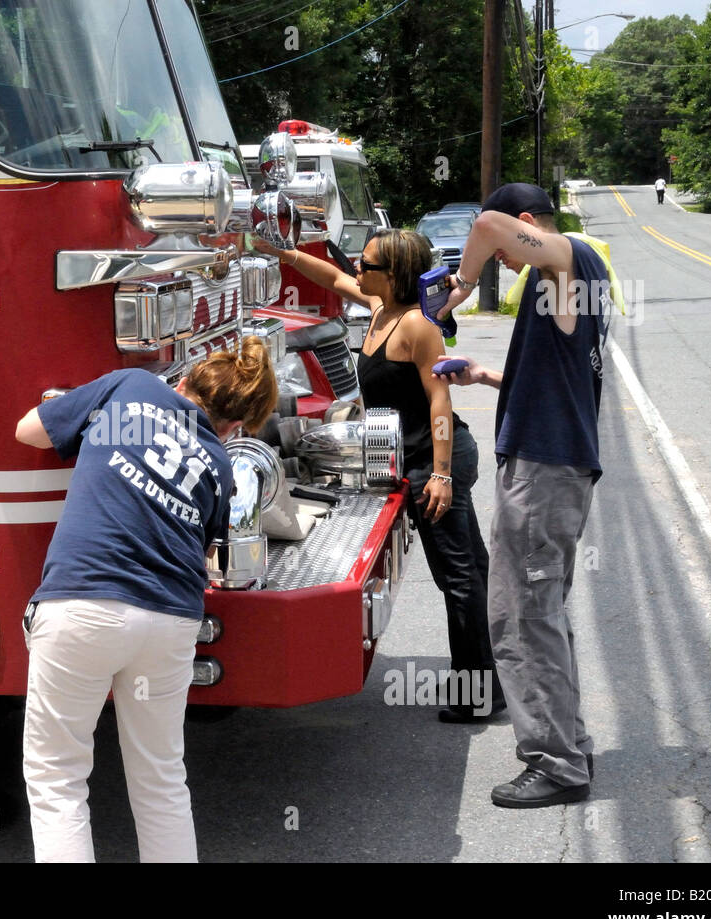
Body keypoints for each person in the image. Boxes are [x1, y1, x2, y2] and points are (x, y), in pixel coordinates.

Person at [14, 342, 277, 862]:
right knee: (160, 781)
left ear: (184, 382)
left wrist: (75, 406)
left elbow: (28, 430)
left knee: (59, 779)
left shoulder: (130, 387)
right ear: (233, 427)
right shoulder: (222, 468)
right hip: (170, 619)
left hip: (82, 602)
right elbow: (201, 555)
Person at [256, 231, 499, 721]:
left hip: (436, 462)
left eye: (368, 265)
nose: (358, 270)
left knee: (458, 576)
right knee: (471, 568)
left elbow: (440, 402)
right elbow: (332, 276)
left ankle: (477, 694)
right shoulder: (377, 305)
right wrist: (281, 253)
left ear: (396, 275)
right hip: (415, 460)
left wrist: (443, 475)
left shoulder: (416, 326)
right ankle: (492, 673)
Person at [433, 182, 611, 809]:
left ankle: (556, 763)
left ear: (528, 223)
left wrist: (458, 282)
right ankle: (568, 743)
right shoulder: (561, 281)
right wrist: (485, 374)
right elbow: (558, 375)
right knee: (542, 614)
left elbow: (484, 226)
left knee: (520, 616)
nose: (506, 262)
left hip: (545, 469)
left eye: (514, 245)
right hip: (552, 465)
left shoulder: (572, 259)